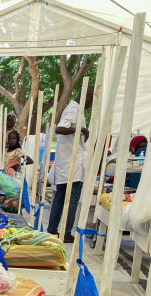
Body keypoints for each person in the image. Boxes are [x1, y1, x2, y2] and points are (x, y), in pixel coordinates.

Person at [46, 86, 94, 243]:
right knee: (71, 198)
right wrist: (82, 130)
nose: (91, 105)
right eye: (92, 101)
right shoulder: (73, 109)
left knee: (60, 197)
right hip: (71, 163)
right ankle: (65, 233)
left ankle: (52, 230)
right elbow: (60, 129)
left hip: (68, 162)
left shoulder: (74, 108)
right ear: (87, 97)